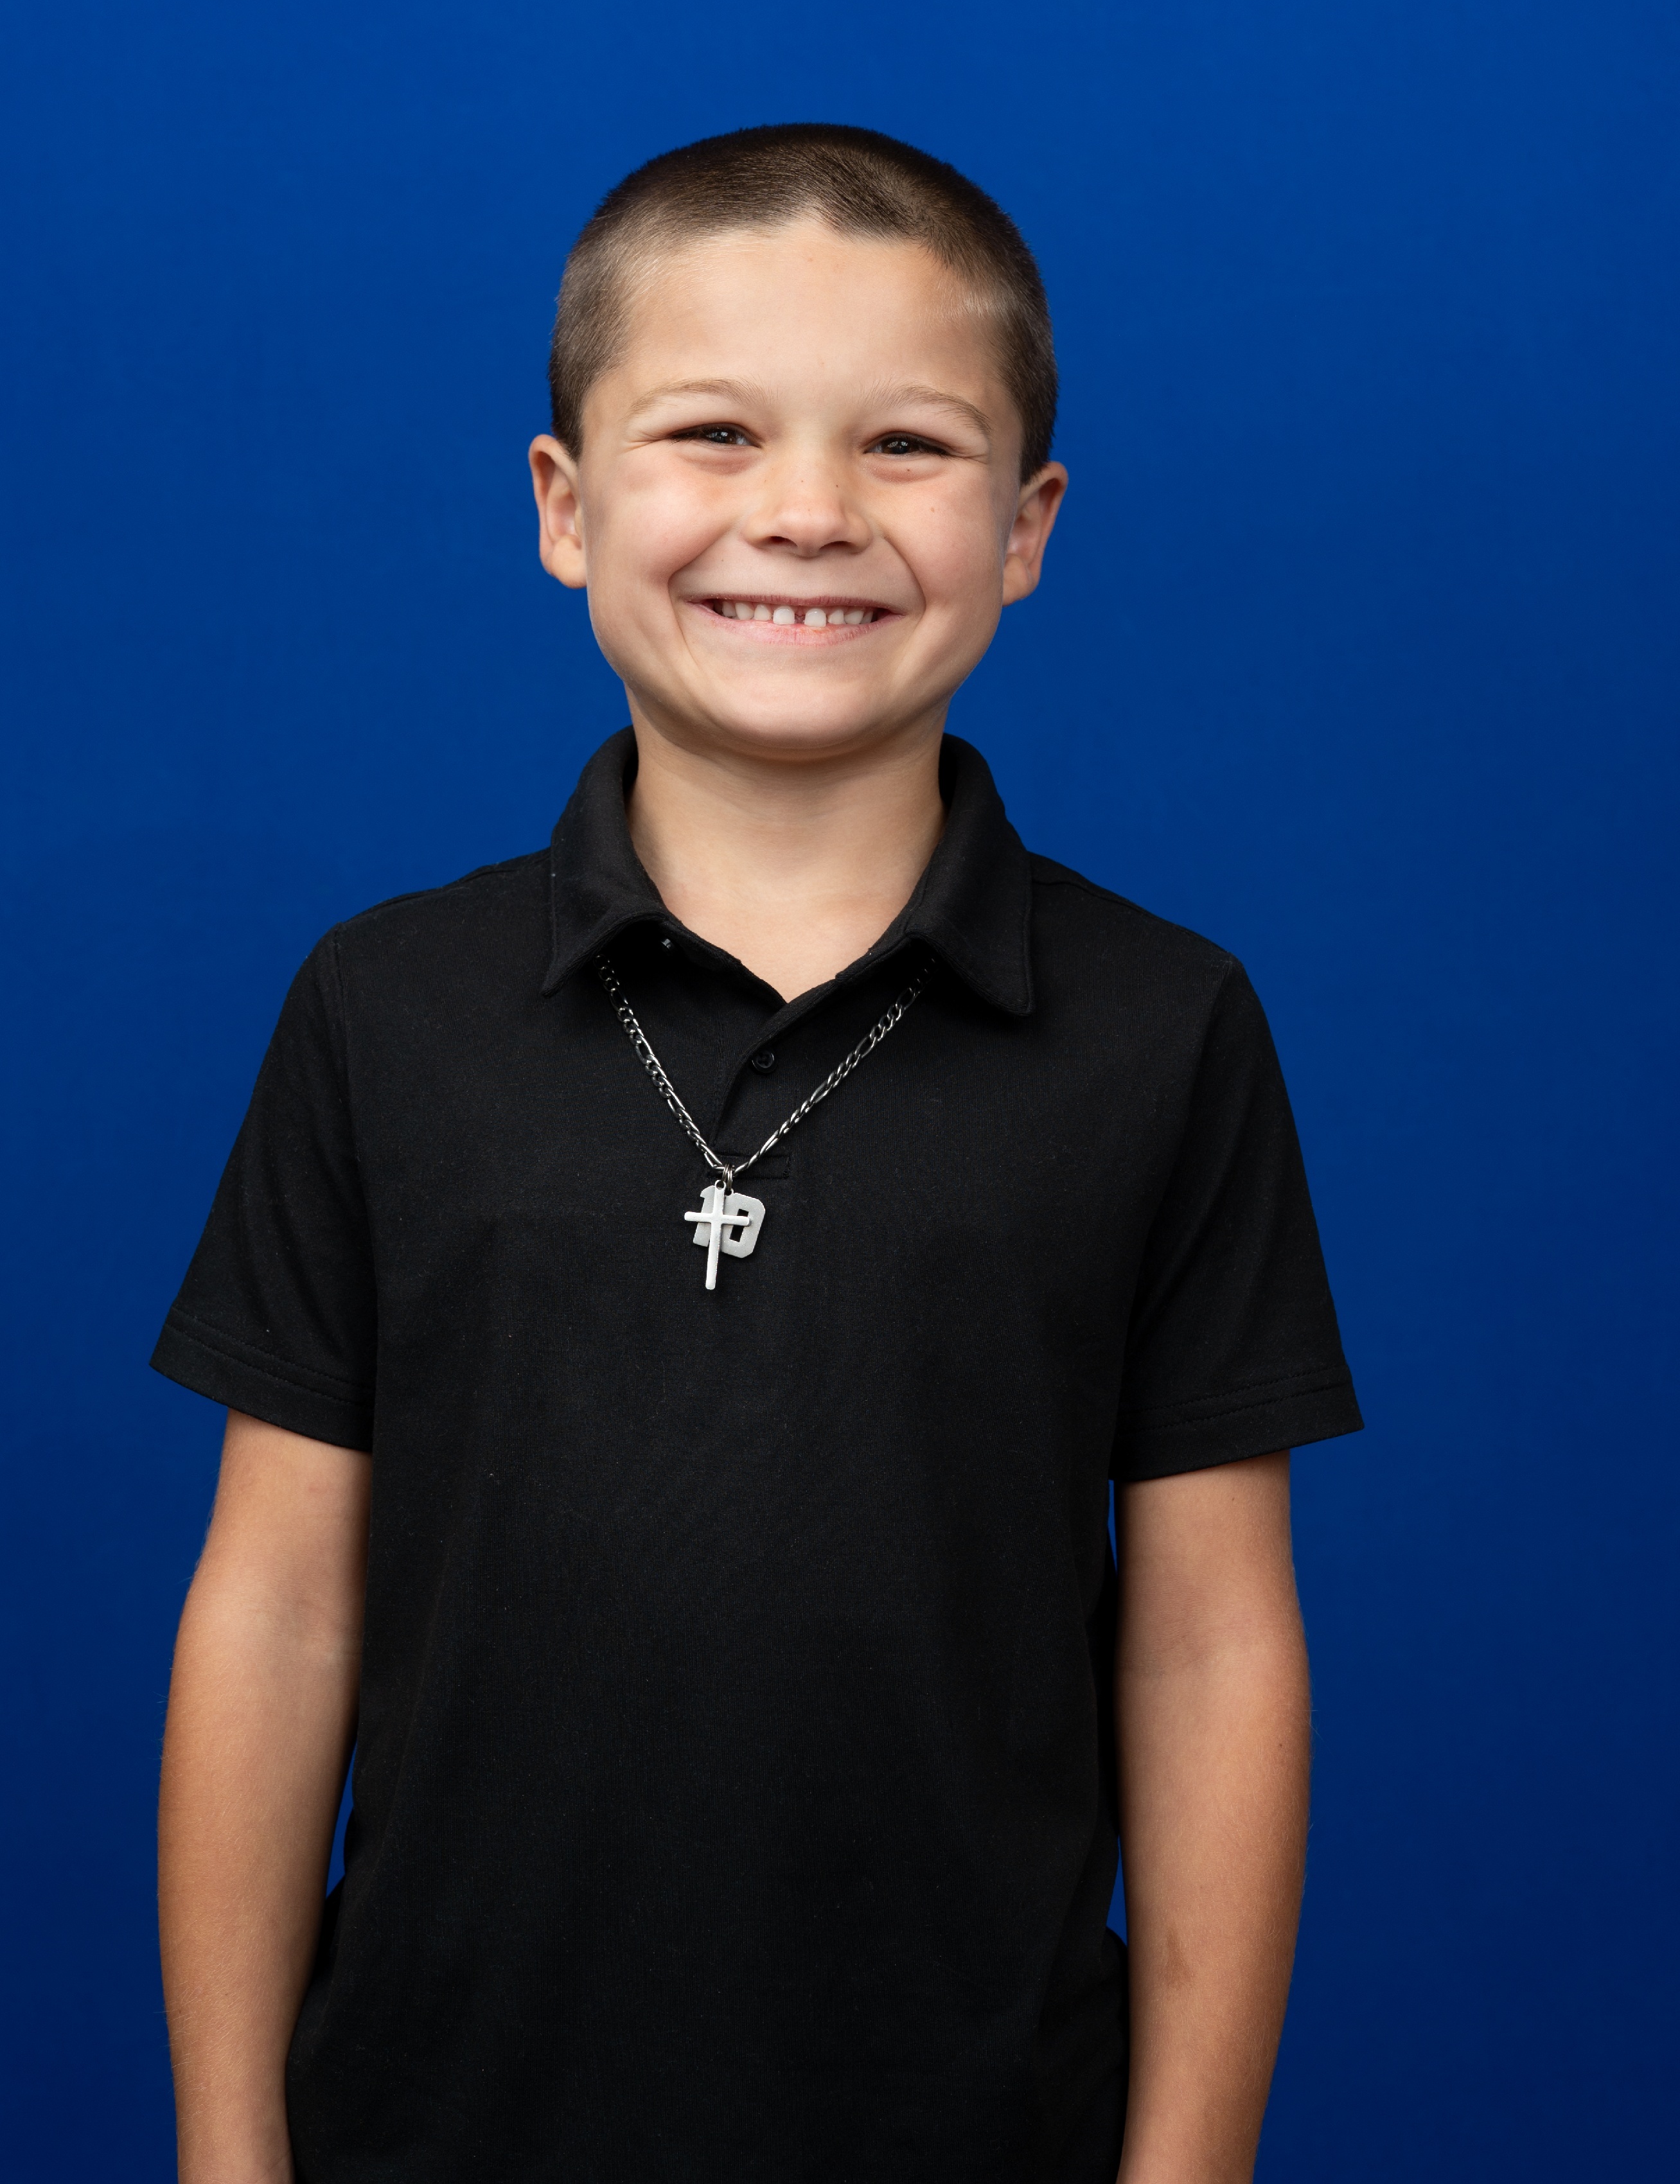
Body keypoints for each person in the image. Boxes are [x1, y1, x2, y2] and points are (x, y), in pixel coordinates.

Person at [154, 123, 1361, 2184]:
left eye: (908, 444)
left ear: (1028, 525)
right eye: (714, 432)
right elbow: (276, 1609)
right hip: (432, 2119)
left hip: (987, 2124)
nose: (806, 511)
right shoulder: (384, 1005)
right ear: (564, 504)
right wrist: (224, 2148)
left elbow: (1211, 1642)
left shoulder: (1166, 1028)